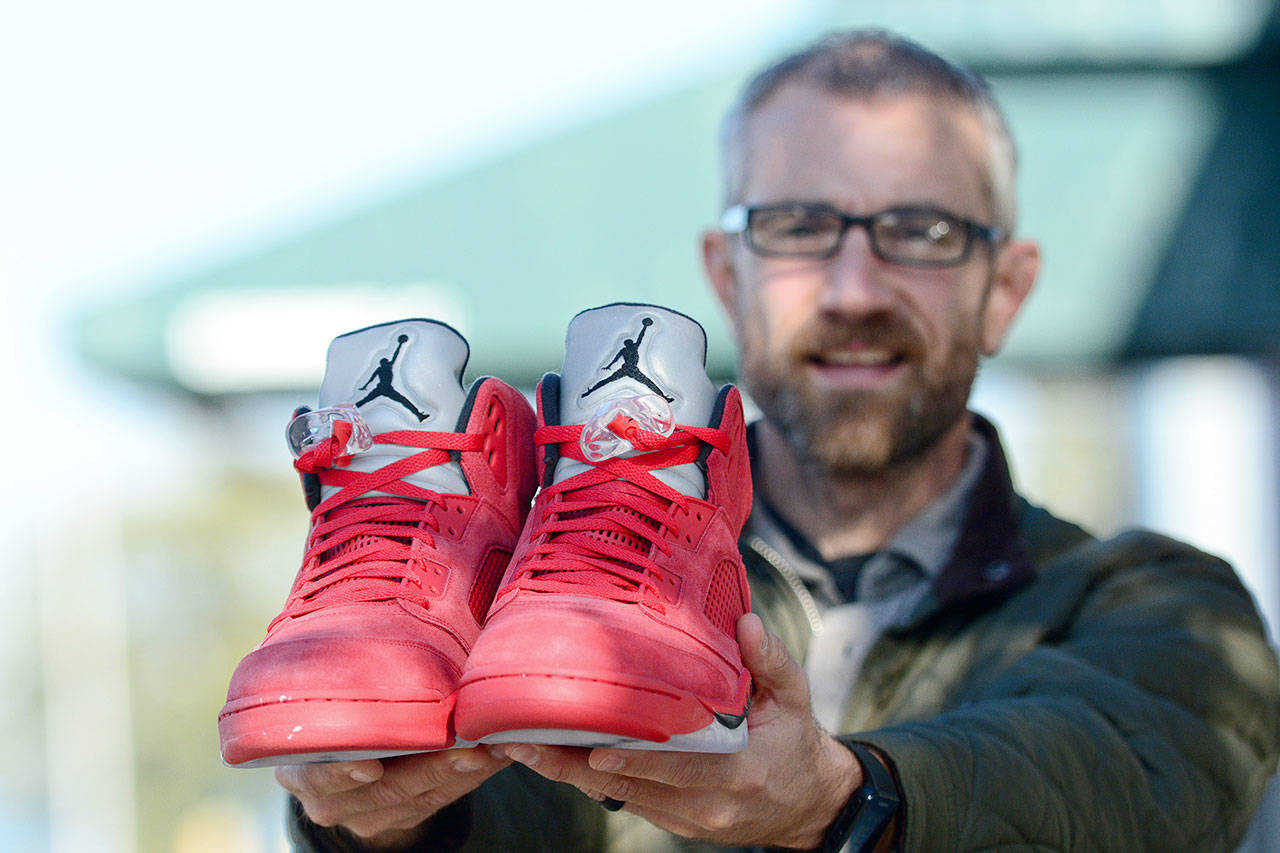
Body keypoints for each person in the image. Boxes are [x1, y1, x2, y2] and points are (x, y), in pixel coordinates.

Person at [274, 29, 1280, 851]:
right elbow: (491, 820)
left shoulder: (1163, 608)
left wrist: (839, 798)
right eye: (797, 226)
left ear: (1003, 288)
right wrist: (375, 815)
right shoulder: (539, 607)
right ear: (726, 274)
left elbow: (1116, 785)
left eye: (921, 230)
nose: (852, 288)